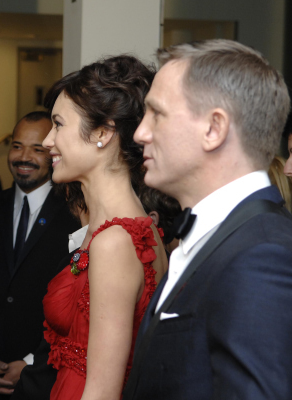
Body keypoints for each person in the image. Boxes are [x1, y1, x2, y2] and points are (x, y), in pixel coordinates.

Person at [123, 39, 292, 400]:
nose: (140, 133)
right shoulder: (218, 235)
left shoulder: (260, 255)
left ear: (214, 129)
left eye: (157, 114)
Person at [40, 55, 168, 400]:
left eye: (58, 125)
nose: (48, 141)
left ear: (102, 133)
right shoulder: (123, 228)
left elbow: (103, 392)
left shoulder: (115, 241)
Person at [0, 111, 80, 399]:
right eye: (17, 145)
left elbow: (76, 304)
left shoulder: (75, 215)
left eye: (38, 149)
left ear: (54, 153)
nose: (24, 156)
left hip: (44, 378)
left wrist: (31, 363)